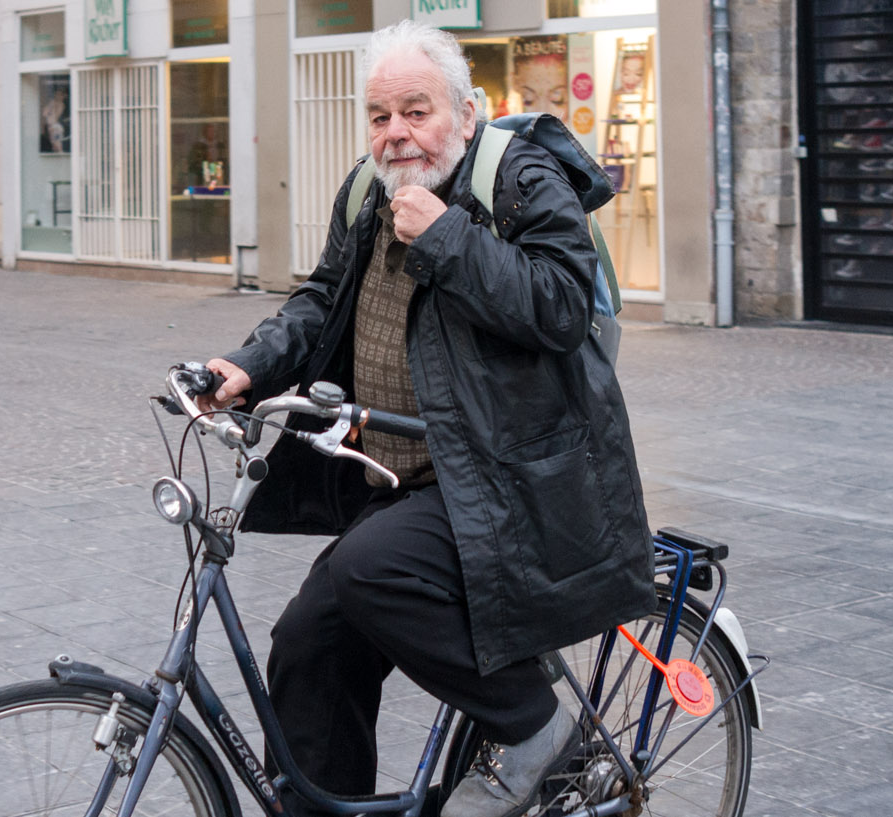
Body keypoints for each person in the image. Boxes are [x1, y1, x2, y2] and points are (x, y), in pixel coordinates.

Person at [196, 20, 655, 817]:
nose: (396, 132)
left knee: (370, 566)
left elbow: (558, 304)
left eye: (417, 109)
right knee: (308, 642)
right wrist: (250, 364)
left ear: (467, 114)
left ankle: (536, 726)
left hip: (507, 477)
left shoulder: (520, 179)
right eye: (380, 115)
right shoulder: (368, 194)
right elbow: (320, 300)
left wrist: (445, 236)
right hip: (405, 475)